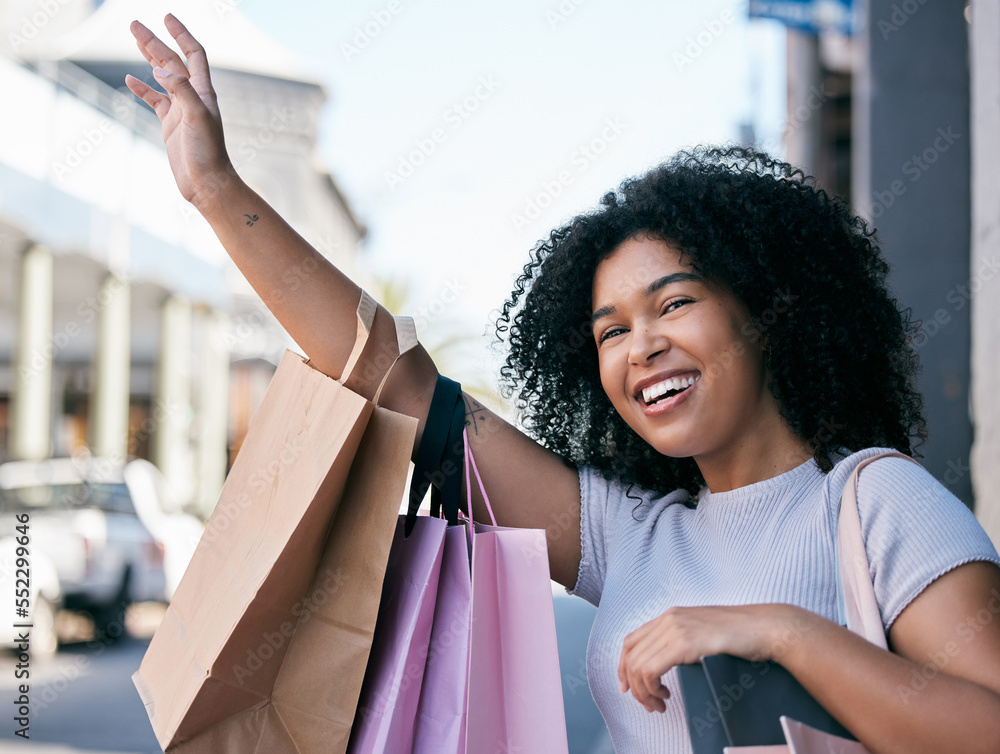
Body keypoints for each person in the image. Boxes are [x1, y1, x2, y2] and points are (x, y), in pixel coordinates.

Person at [126, 14, 1000, 753]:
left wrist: (778, 631)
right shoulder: (631, 534)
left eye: (675, 304)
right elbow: (398, 383)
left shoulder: (876, 502)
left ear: (767, 313)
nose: (640, 346)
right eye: (611, 331)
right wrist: (212, 188)